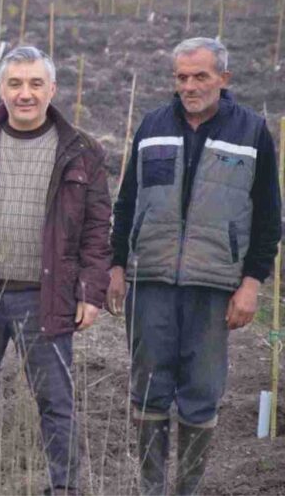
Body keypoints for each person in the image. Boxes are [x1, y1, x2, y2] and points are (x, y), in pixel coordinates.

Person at [0, 46, 111, 495]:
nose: (24, 94)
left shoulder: (81, 150)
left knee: (56, 401)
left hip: (47, 297)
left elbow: (96, 228)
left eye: (34, 84)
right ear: (1, 88)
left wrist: (91, 291)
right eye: (15, 84)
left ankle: (63, 487)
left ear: (52, 89)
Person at [108, 37, 281, 495]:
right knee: (148, 388)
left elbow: (269, 217)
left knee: (202, 392)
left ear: (223, 78)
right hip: (151, 280)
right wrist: (117, 264)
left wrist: (252, 282)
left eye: (200, 76)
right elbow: (127, 202)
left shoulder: (251, 132)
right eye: (181, 77)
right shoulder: (152, 126)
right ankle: (150, 488)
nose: (189, 86)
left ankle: (187, 488)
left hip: (214, 285)